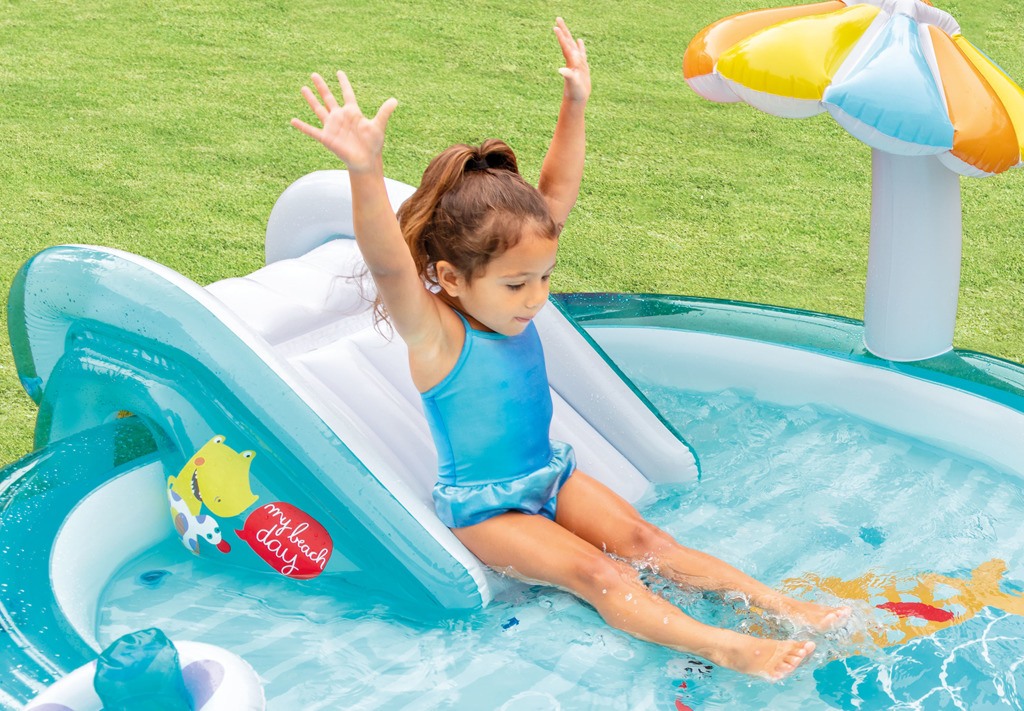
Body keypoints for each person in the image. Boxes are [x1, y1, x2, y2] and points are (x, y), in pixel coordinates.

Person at [291, 18, 848, 681]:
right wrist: (364, 170)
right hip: (487, 508)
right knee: (601, 572)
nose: (535, 299)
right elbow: (387, 263)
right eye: (516, 284)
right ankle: (723, 645)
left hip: (550, 473)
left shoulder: (509, 294)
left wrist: (575, 103)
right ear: (449, 278)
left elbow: (554, 195)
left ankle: (781, 605)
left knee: (647, 541)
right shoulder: (435, 331)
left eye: (544, 278)